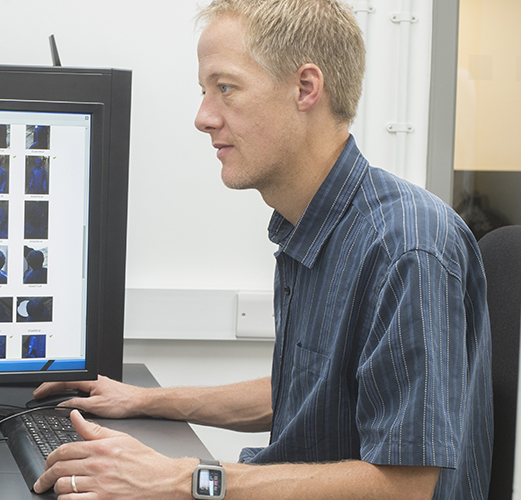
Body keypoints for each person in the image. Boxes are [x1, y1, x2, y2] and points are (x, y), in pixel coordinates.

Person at [31, 1, 493, 499]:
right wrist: (145, 399)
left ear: (305, 88)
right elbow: (302, 392)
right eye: (204, 92)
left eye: (225, 88)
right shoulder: (312, 227)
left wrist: (179, 480)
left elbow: (406, 486)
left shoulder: (408, 246)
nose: (203, 117)